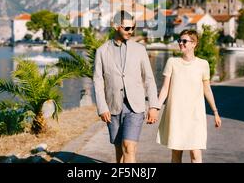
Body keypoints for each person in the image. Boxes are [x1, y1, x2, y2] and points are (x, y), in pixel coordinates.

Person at [93, 10, 160, 163]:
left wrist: (153, 106)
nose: (131, 31)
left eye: (133, 28)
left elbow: (149, 79)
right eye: (127, 28)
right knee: (119, 149)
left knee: (128, 147)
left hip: (135, 107)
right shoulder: (102, 51)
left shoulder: (140, 50)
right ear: (115, 26)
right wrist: (102, 107)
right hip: (113, 106)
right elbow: (98, 80)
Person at [156, 29, 222, 163]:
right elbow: (165, 89)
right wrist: (155, 108)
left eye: (184, 41)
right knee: (176, 153)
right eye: (179, 40)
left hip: (195, 115)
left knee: (195, 153)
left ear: (194, 44)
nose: (181, 43)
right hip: (176, 114)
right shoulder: (172, 62)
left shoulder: (203, 64)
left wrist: (215, 112)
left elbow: (207, 89)